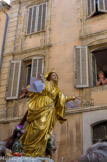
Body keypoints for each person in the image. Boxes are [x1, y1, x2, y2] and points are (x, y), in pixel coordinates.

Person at [20, 71, 79, 157]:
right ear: (50, 77)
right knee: (38, 126)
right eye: (53, 75)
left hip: (50, 109)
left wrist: (73, 98)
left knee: (45, 131)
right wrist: (39, 81)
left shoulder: (56, 89)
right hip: (41, 106)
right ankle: (29, 149)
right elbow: (32, 88)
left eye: (56, 75)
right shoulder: (45, 83)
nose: (55, 76)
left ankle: (39, 152)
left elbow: (62, 98)